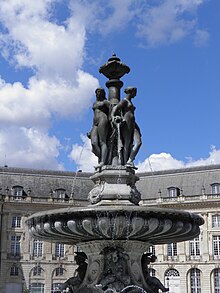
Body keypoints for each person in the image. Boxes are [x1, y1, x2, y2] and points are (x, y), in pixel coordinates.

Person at [111, 87, 141, 167]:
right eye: (135, 92)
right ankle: (125, 162)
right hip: (126, 123)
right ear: (131, 92)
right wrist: (113, 116)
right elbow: (115, 108)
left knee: (138, 142)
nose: (136, 94)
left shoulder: (129, 102)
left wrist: (137, 127)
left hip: (133, 124)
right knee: (127, 143)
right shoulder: (124, 101)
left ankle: (130, 160)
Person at [88, 88, 110, 168]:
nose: (98, 93)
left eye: (100, 92)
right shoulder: (95, 103)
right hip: (95, 123)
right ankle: (102, 157)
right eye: (97, 92)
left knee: (102, 141)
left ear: (103, 93)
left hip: (102, 119)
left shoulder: (105, 102)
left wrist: (111, 118)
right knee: (94, 143)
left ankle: (103, 161)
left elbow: (112, 109)